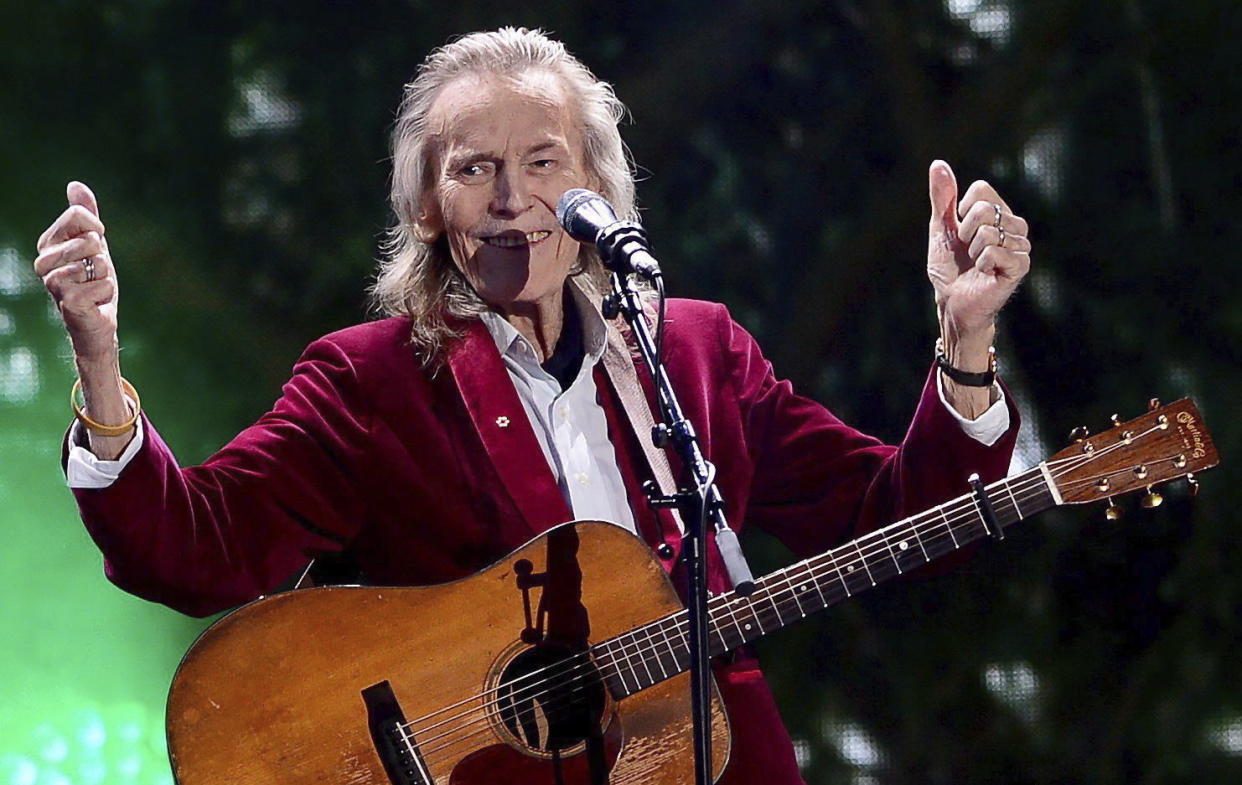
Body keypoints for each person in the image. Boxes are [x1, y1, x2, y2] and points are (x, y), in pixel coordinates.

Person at [35, 27, 1030, 785]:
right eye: (474, 168)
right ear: (428, 206)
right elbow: (194, 545)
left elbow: (904, 517)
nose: (512, 197)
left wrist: (968, 335)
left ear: (597, 185)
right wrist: (99, 357)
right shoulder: (370, 382)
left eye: (544, 162)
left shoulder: (697, 351)